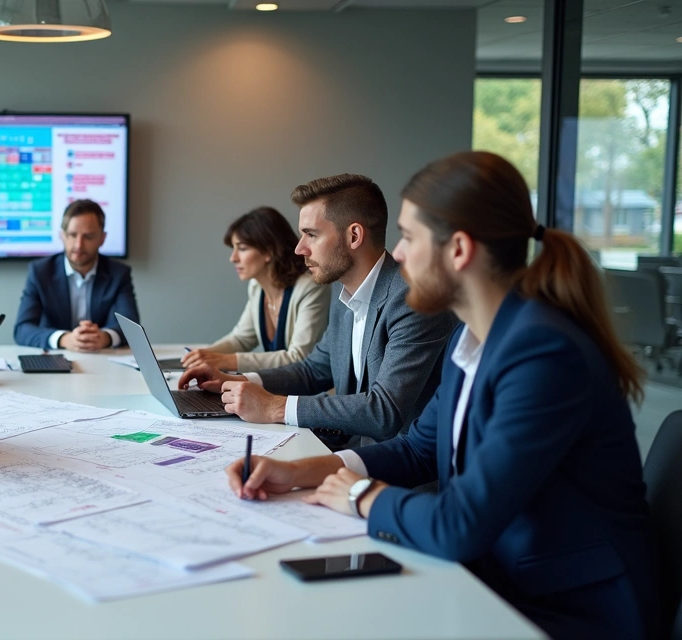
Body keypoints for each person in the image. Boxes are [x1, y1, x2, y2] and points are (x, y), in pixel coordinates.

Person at [227, 152, 659, 640]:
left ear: (458, 250)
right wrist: (304, 471)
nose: (400, 254)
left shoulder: (545, 354)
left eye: (410, 238)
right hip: (499, 574)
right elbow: (419, 448)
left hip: (569, 607)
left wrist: (356, 493)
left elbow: (461, 524)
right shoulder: (471, 337)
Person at [180, 174, 457, 448]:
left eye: (311, 234)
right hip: (353, 453)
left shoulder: (412, 299)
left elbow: (383, 411)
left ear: (354, 235)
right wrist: (236, 380)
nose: (300, 249)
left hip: (399, 472)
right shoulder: (344, 290)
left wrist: (275, 407)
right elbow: (313, 370)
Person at [182, 206, 330, 373]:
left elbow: (299, 357)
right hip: (276, 388)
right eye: (233, 248)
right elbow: (241, 339)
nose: (233, 258)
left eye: (242, 248)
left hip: (312, 395)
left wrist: (226, 360)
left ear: (269, 251)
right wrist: (203, 355)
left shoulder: (309, 288)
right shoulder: (256, 287)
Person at [14, 199, 140, 351]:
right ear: (63, 236)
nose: (79, 245)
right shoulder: (40, 272)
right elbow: (22, 329)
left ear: (102, 238)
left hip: (102, 361)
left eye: (88, 237)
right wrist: (64, 339)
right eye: (73, 235)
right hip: (54, 362)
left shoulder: (118, 274)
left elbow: (132, 327)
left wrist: (105, 337)